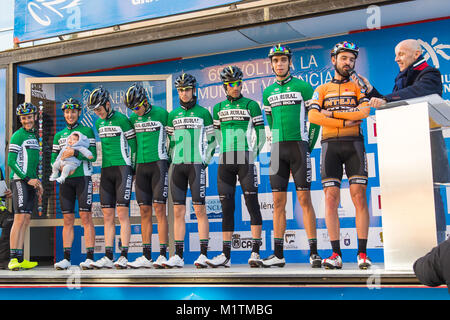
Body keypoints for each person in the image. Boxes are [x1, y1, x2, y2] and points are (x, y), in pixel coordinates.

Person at [355, 39, 448, 242]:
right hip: (407, 147)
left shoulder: (429, 73)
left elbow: (418, 92)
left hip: (427, 145)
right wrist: (372, 92)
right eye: (396, 55)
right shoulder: (403, 76)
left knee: (432, 195)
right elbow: (396, 101)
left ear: (416, 54)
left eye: (401, 54)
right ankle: (414, 239)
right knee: (411, 194)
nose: (396, 59)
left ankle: (438, 241)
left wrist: (387, 99)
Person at [308, 41, 372, 270]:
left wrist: (331, 113)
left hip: (354, 143)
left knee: (358, 197)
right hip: (330, 146)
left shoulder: (357, 87)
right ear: (333, 60)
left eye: (352, 59)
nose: (349, 63)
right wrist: (345, 119)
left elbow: (364, 112)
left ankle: (362, 254)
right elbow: (314, 117)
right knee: (330, 199)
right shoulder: (322, 89)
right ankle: (336, 254)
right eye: (344, 58)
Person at [262, 44, 322, 268]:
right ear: (272, 64)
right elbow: (271, 122)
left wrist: (308, 144)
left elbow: (314, 120)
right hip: (277, 149)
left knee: (304, 200)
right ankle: (278, 255)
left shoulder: (304, 87)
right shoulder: (267, 93)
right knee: (278, 202)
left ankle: (314, 252)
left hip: (299, 147)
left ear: (290, 62)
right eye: (276, 61)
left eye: (283, 60)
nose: (279, 64)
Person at [205, 66, 266, 268]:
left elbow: (262, 135)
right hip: (225, 161)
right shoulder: (218, 108)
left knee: (252, 204)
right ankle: (225, 255)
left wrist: (252, 155)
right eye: (231, 84)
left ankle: (255, 251)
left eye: (238, 83)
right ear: (225, 86)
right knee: (226, 208)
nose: (235, 87)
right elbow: (214, 136)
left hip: (245, 159)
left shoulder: (251, 105)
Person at [165, 73, 217, 268]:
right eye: (180, 90)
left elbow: (212, 142)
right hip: (177, 167)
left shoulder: (204, 113)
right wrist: (172, 160)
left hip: (196, 166)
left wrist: (204, 161)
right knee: (178, 211)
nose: (184, 93)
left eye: (187, 90)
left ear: (194, 90)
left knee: (200, 210)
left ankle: (203, 254)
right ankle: (178, 256)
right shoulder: (172, 115)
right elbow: (169, 143)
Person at [87, 87, 137, 269]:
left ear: (108, 105)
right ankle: (108, 256)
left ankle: (124, 255)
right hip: (106, 171)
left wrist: (133, 168)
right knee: (107, 216)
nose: (97, 113)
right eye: (94, 111)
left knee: (123, 214)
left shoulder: (123, 120)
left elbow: (134, 146)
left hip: (123, 170)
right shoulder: (99, 124)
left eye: (99, 109)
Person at [124, 83, 170, 269]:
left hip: (159, 164)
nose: (136, 111)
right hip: (141, 168)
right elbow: (132, 146)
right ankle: (146, 255)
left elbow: (174, 138)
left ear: (144, 100)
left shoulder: (162, 114)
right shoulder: (133, 118)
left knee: (159, 210)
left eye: (137, 107)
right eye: (132, 109)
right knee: (144, 211)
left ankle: (163, 254)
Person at [51, 98, 97, 270]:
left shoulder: (87, 131)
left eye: (73, 112)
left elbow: (93, 154)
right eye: (67, 112)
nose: (70, 115)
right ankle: (66, 258)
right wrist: (59, 166)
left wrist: (76, 155)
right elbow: (52, 160)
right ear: (64, 113)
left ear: (79, 113)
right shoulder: (59, 135)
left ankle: (90, 257)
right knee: (67, 219)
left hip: (83, 178)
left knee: (86, 217)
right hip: (66, 181)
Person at [7, 102, 42, 271]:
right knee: (19, 219)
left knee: (26, 219)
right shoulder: (18, 135)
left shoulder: (34, 136)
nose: (27, 120)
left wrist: (37, 182)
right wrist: (27, 179)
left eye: (29, 117)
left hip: (30, 182)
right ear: (20, 119)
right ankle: (13, 258)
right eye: (23, 118)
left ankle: (20, 259)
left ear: (35, 117)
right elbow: (11, 162)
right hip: (20, 181)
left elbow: (33, 163)